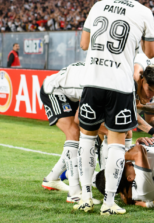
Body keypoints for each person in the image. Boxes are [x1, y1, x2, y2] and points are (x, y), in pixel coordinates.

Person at [75, 0, 154, 215]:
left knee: (87, 140)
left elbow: (84, 44)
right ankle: (109, 202)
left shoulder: (98, 5)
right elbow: (151, 52)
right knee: (116, 145)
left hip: (93, 82)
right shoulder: (144, 12)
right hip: (120, 87)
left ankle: (86, 197)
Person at [39, 62, 100, 205]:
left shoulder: (99, 73)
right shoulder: (94, 83)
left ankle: (52, 179)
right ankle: (74, 193)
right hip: (53, 89)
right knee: (73, 132)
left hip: (70, 93)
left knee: (79, 136)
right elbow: (80, 118)